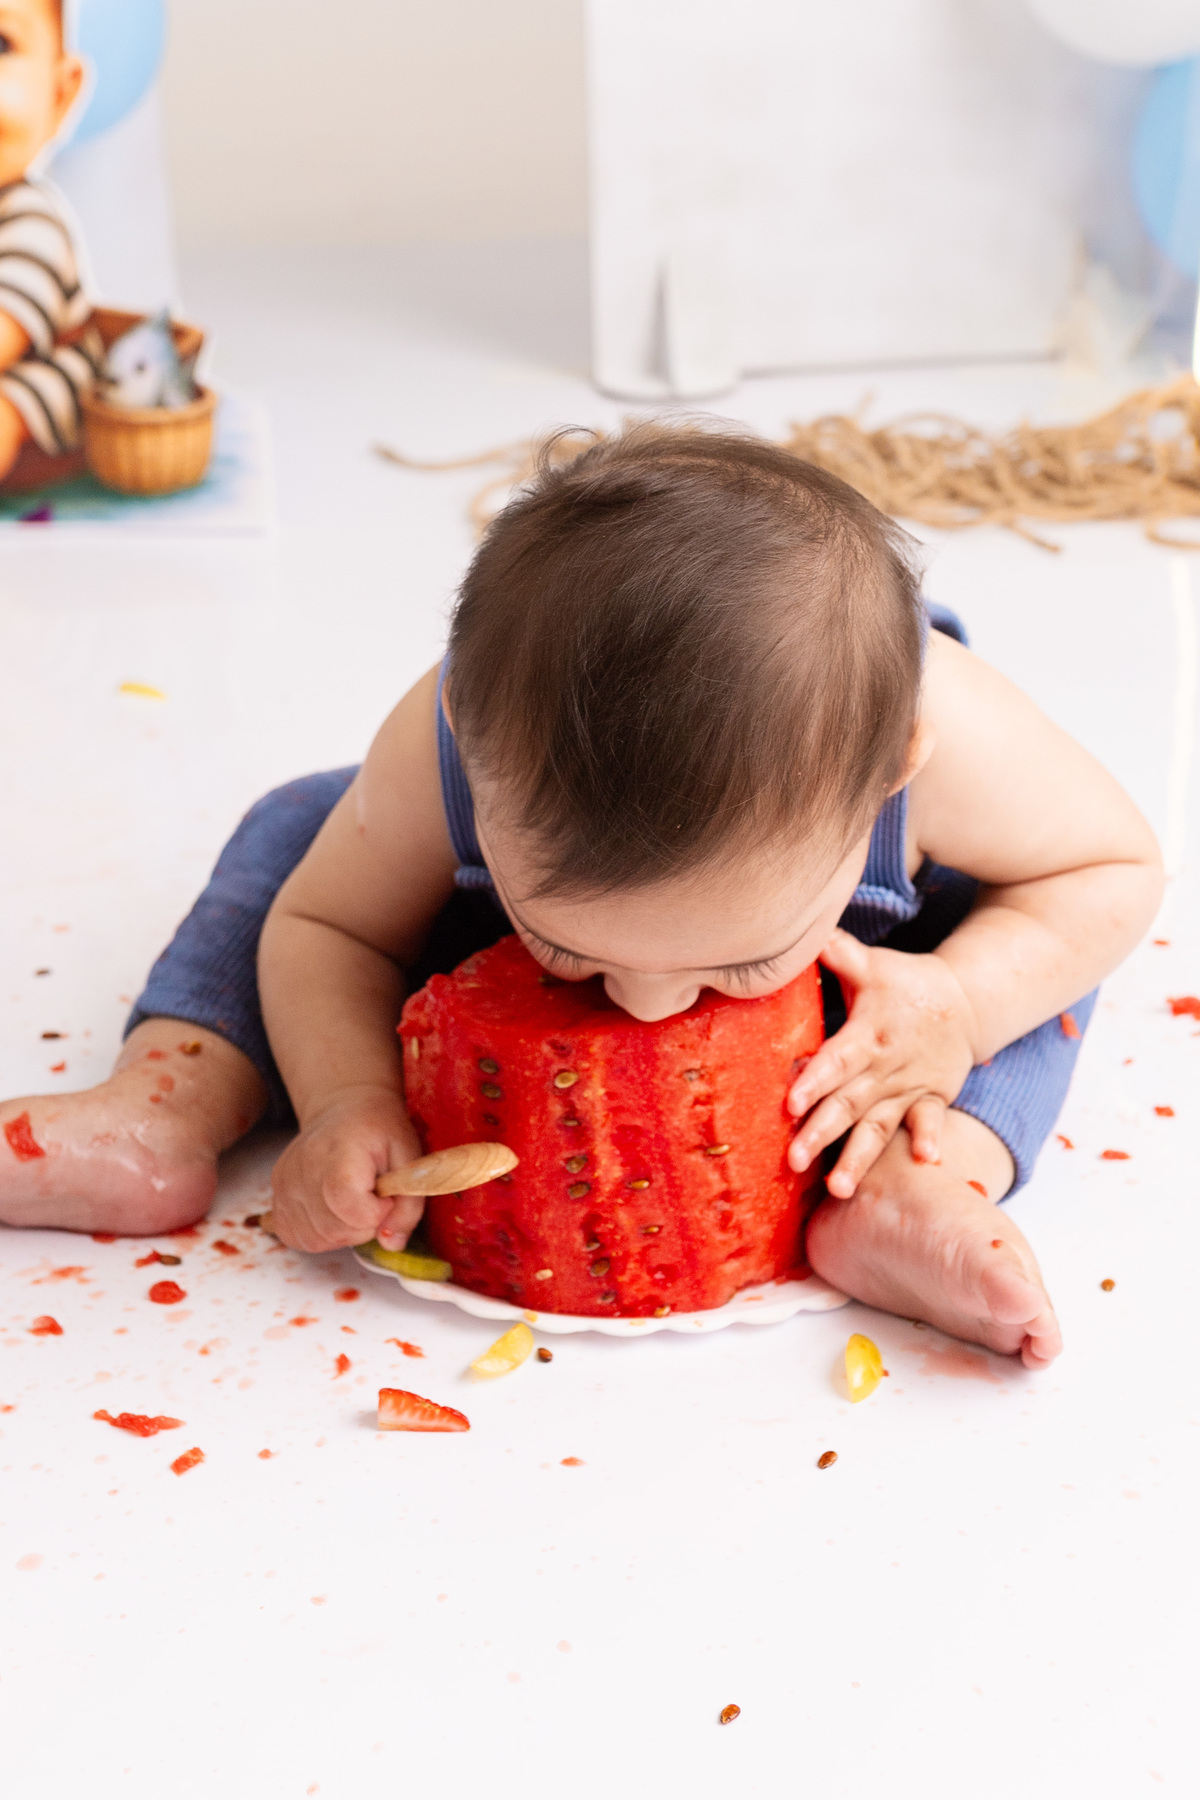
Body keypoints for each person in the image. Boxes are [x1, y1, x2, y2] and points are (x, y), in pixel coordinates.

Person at [0, 427, 1163, 1366]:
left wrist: (957, 1003)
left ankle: (917, 1182)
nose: (646, 1005)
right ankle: (171, 1098)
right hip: (482, 937)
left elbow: (1114, 869)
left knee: (1040, 967)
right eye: (574, 949)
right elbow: (328, 925)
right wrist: (347, 1095)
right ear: (472, 748)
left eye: (738, 961)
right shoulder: (443, 741)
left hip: (881, 997)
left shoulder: (955, 738)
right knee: (301, 827)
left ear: (889, 776)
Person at [0, 0, 100, 482]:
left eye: (1, 45)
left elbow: (7, 333)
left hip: (43, 376)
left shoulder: (32, 221)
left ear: (61, 95)